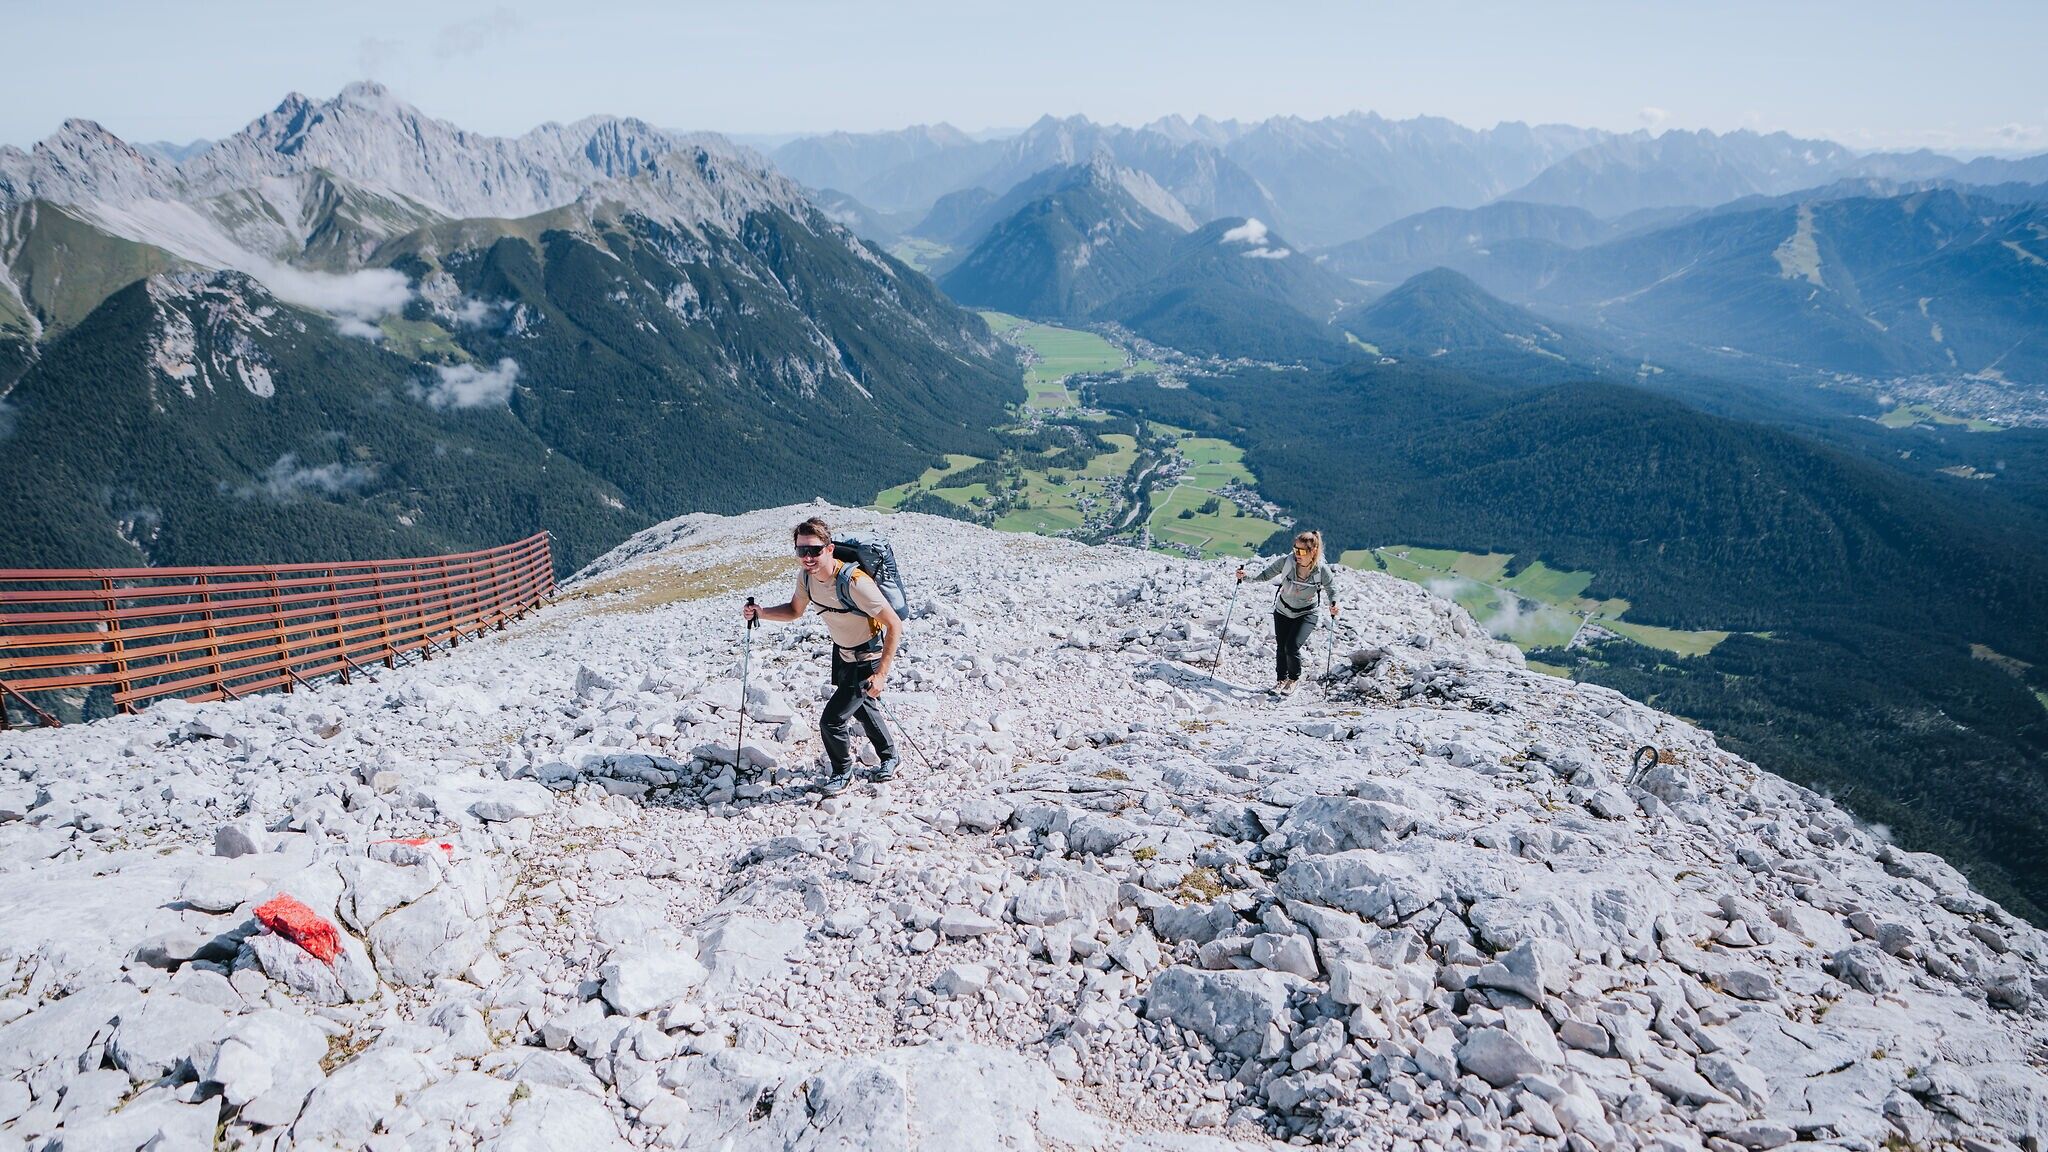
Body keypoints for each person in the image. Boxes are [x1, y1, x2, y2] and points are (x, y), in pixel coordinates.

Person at [743, 517, 902, 795]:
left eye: (814, 550)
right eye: (801, 550)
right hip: (842, 652)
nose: (807, 557)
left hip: (867, 655)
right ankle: (890, 756)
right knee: (862, 707)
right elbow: (795, 611)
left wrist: (881, 674)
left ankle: (842, 772)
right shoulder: (806, 578)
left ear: (829, 549)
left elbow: (894, 624)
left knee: (832, 720)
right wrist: (762, 613)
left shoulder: (855, 583)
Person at [1238, 530, 1340, 694]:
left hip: (1307, 613)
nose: (1297, 554)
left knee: (1291, 647)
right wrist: (1245, 576)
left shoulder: (1321, 570)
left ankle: (1293, 679)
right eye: (1295, 549)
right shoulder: (1286, 562)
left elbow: (1332, 589)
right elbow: (1265, 575)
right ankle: (1281, 680)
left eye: (1301, 551)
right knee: (1281, 647)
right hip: (1283, 611)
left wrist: (1334, 604)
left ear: (1313, 551)